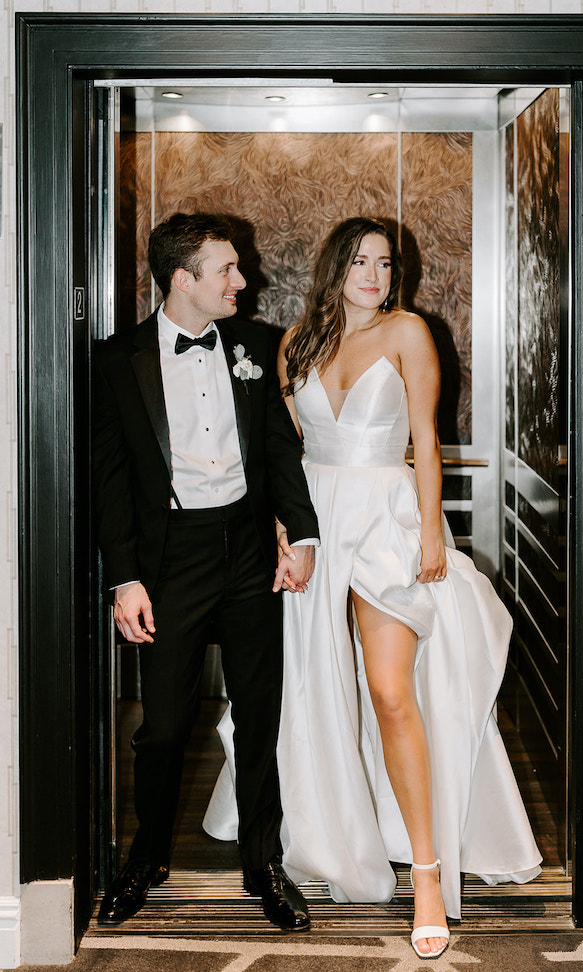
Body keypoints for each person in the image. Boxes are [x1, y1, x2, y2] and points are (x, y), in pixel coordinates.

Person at [203, 216, 542, 959]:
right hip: (317, 525)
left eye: (386, 265)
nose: (374, 275)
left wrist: (430, 533)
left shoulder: (409, 333)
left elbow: (424, 437)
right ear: (335, 267)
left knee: (392, 691)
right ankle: (333, 838)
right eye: (360, 261)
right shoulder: (297, 343)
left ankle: (426, 874)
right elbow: (283, 452)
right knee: (314, 691)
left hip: (388, 521)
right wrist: (285, 531)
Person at [92, 212, 320, 931]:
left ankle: (263, 863)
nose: (241, 280)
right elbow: (110, 479)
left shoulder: (258, 344)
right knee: (161, 728)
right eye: (226, 269)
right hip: (170, 561)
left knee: (260, 717)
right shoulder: (116, 360)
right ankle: (147, 857)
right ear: (181, 279)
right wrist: (125, 578)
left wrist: (304, 533)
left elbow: (282, 450)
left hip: (249, 552)